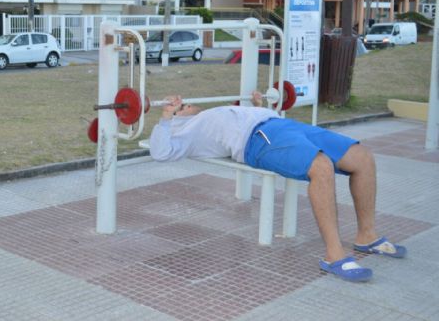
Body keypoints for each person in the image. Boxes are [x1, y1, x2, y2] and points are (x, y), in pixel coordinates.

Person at [149, 92, 406, 282]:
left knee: (362, 157)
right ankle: (334, 255)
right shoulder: (185, 131)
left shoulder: (208, 113)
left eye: (186, 103)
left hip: (282, 124)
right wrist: (165, 118)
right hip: (257, 140)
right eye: (180, 107)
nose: (185, 105)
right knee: (321, 167)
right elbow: (160, 152)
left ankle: (367, 236)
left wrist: (259, 106)